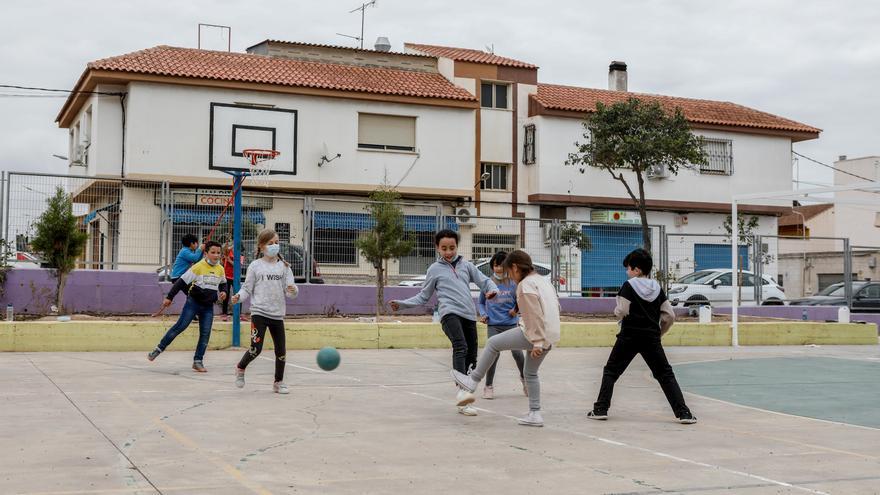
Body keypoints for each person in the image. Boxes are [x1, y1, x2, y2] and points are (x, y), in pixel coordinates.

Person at [389, 229, 498, 416]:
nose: (449, 252)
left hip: (468, 314)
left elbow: (485, 281)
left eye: (452, 248)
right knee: (460, 346)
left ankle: (465, 396)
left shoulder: (466, 265)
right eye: (444, 248)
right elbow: (423, 297)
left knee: (472, 356)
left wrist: (492, 290)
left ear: (457, 246)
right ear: (437, 248)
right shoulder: (434, 270)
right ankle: (463, 394)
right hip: (449, 313)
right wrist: (402, 305)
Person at [586, 248, 697, 424]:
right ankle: (684, 413)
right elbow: (670, 316)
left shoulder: (628, 286)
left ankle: (600, 408)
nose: (626, 272)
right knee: (665, 375)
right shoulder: (657, 288)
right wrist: (658, 333)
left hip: (628, 336)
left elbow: (622, 310)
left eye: (628, 268)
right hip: (651, 338)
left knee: (611, 371)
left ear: (636, 270)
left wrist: (617, 312)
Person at [451, 249, 560, 427]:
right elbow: (554, 307)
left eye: (509, 272)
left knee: (493, 343)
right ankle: (535, 414)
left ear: (515, 268)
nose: (509, 276)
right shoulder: (542, 281)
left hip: (535, 334)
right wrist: (544, 339)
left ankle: (473, 381)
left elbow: (534, 315)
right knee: (530, 373)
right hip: (551, 333)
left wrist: (538, 342)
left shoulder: (525, 285)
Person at [231, 229, 298, 394]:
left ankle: (278, 382)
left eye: (277, 242)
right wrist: (238, 297)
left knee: (281, 351)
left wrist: (293, 289)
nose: (274, 246)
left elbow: (291, 293)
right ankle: (240, 367)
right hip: (259, 313)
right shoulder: (255, 266)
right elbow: (247, 288)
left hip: (277, 314)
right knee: (256, 349)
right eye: (270, 243)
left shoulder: (284, 267)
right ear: (261, 246)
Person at [148, 240, 226, 372]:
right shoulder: (198, 267)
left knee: (205, 333)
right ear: (206, 253)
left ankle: (198, 361)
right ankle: (159, 348)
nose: (216, 255)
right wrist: (169, 297)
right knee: (180, 326)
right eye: (213, 252)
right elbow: (181, 282)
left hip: (207, 307)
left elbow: (223, 283)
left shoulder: (220, 269)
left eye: (218, 253)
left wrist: (224, 291)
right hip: (193, 303)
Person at [478, 251, 526, 400]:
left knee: (518, 354)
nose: (498, 269)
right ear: (492, 266)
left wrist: (515, 310)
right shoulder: (488, 283)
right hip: (494, 325)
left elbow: (521, 299)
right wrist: (483, 314)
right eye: (495, 265)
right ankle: (488, 386)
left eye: (501, 266)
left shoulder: (513, 283)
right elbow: (480, 302)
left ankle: (526, 381)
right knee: (493, 355)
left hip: (511, 325)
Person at [221, 242, 234, 322]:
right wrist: (224, 259)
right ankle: (224, 312)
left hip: (235, 277)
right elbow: (222, 264)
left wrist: (229, 260)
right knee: (226, 294)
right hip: (226, 276)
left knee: (237, 293)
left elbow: (238, 265)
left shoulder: (239, 254)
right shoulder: (226, 254)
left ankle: (238, 312)